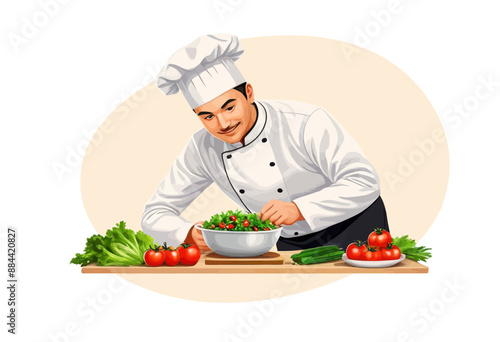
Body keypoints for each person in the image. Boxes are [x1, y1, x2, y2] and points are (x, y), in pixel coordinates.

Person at [141, 34, 389, 251]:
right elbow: (155, 212)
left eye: (229, 107)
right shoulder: (202, 148)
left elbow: (364, 181)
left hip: (359, 233)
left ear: (248, 92)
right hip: (290, 243)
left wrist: (299, 209)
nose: (223, 123)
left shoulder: (305, 121)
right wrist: (187, 233)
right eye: (207, 116)